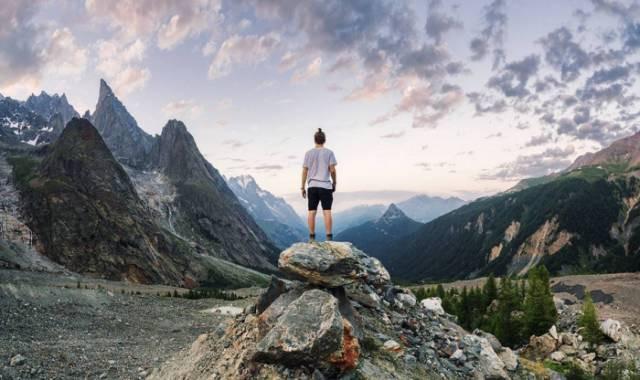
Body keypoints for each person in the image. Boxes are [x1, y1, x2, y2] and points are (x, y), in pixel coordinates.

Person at [301, 128, 337, 242]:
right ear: (324, 140)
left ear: (314, 140)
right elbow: (332, 170)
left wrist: (302, 187)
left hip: (312, 186)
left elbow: (305, 171)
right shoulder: (329, 153)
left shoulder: (308, 153)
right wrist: (334, 182)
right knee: (327, 211)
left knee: (312, 211)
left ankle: (311, 238)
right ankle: (329, 238)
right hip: (325, 186)